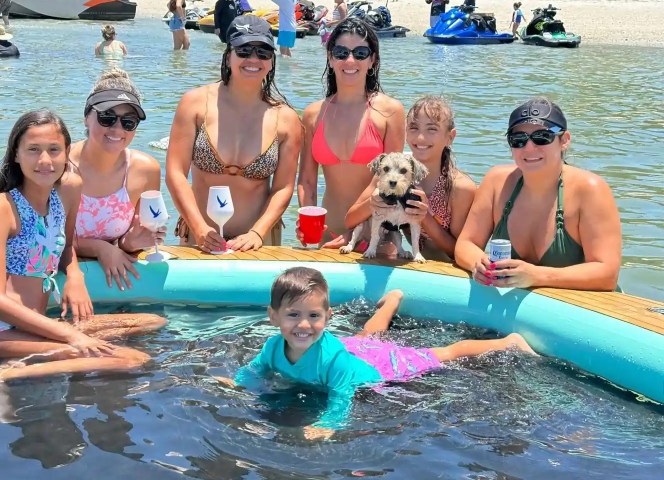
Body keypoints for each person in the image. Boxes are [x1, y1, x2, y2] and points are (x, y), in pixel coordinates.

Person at [0, 110, 167, 409]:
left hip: (41, 324)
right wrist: (70, 334)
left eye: (54, 150)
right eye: (33, 150)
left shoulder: (70, 189)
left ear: (67, 153)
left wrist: (73, 275)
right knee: (133, 358)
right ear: (16, 155)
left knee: (151, 320)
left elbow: (67, 246)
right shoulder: (0, 207)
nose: (45, 160)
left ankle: (44, 353)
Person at [219, 267, 536, 440]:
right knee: (367, 336)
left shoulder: (334, 361)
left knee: (444, 353)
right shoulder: (272, 346)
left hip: (378, 370)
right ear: (273, 316)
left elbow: (341, 397)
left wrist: (330, 423)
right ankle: (390, 303)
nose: (304, 325)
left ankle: (506, 341)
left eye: (314, 316)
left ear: (328, 318)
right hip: (355, 349)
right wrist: (237, 382)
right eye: (293, 316)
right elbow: (255, 369)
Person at [166, 15, 302, 253]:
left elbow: (283, 187)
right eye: (244, 50)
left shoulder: (286, 118)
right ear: (228, 56)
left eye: (263, 52)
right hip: (200, 238)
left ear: (271, 61)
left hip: (259, 241)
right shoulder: (195, 104)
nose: (253, 59)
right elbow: (175, 173)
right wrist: (198, 228)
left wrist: (257, 233)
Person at [454, 97, 622, 291]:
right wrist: (479, 263)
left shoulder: (590, 190)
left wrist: (536, 276)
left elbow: (607, 274)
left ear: (564, 140)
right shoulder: (496, 181)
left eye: (542, 137)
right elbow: (466, 244)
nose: (529, 148)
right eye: (518, 140)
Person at [297, 17, 406, 249]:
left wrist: (357, 230)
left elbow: (388, 182)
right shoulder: (313, 114)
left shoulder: (390, 111)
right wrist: (307, 220)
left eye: (360, 53)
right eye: (341, 52)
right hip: (328, 234)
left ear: (372, 60)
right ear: (330, 56)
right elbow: (307, 180)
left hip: (376, 235)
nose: (349, 60)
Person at [345, 95, 476, 260]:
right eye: (414, 128)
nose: (421, 137)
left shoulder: (460, 187)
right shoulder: (393, 171)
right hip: (411, 266)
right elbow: (349, 220)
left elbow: (461, 252)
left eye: (432, 129)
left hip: (447, 270)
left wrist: (424, 217)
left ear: (450, 137)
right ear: (406, 132)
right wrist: (372, 204)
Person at [71, 68, 164, 291]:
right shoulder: (59, 166)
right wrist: (100, 249)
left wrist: (131, 242)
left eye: (128, 122)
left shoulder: (146, 170)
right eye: (107, 117)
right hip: (65, 274)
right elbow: (41, 236)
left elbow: (130, 242)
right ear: (86, 118)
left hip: (114, 280)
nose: (117, 128)